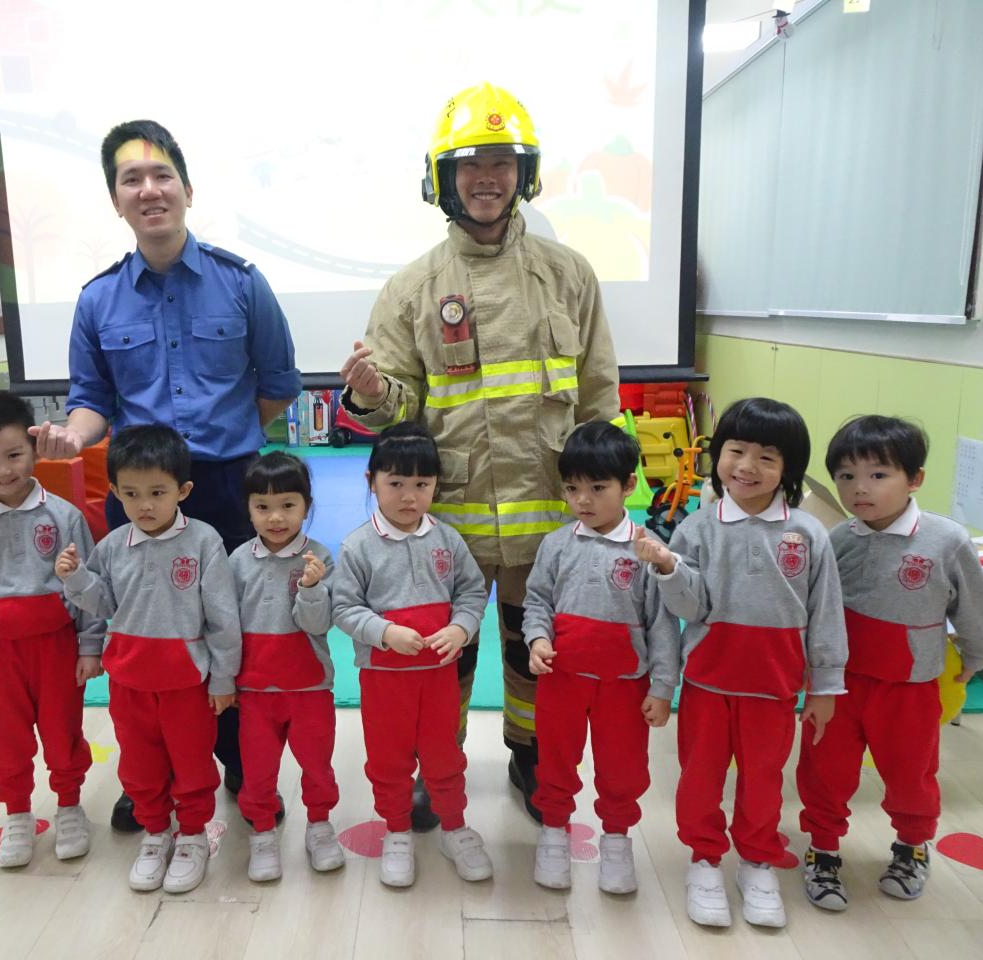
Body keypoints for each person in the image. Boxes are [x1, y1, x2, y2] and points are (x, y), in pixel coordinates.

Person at [338, 83, 620, 825]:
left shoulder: (569, 275)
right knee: (446, 654)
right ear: (443, 178)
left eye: (502, 162)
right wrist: (372, 393)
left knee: (537, 654)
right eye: (469, 164)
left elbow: (597, 394)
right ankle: (441, 763)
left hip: (551, 515)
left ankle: (531, 758)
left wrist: (609, 500)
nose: (486, 177)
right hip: (449, 522)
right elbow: (399, 409)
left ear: (525, 174)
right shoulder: (412, 288)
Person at [32, 119, 302, 829]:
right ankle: (150, 774)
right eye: (132, 179)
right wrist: (73, 436)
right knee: (144, 632)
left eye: (162, 176)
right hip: (140, 499)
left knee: (236, 627)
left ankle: (241, 763)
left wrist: (228, 435)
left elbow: (276, 385)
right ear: (115, 200)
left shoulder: (242, 282)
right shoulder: (98, 300)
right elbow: (92, 400)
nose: (149, 190)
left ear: (187, 188)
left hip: (230, 489)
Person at [634, 397, 847, 930]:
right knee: (699, 778)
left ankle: (757, 861)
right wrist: (668, 568)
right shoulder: (697, 528)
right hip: (707, 682)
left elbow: (826, 614)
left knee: (764, 781)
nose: (747, 466)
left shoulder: (808, 534)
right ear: (718, 455)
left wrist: (825, 686)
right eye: (736, 451)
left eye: (767, 457)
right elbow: (689, 609)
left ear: (788, 469)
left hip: (775, 688)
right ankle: (704, 860)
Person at [796, 416, 983, 909]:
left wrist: (976, 655)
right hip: (838, 686)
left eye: (878, 475)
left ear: (915, 478)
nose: (860, 488)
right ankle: (823, 849)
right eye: (846, 476)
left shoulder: (945, 540)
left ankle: (912, 846)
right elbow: (813, 609)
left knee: (911, 774)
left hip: (909, 688)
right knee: (824, 770)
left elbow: (973, 606)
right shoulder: (837, 539)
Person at [56, 425, 240, 894]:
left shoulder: (204, 541)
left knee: (193, 763)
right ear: (115, 492)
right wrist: (76, 579)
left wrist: (223, 678)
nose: (145, 505)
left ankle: (193, 836)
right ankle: (156, 832)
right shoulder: (113, 545)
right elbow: (102, 603)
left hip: (187, 683)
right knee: (139, 765)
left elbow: (223, 617)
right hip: (130, 681)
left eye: (158, 492)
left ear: (183, 490)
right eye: (132, 493)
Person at [0, 388, 104, 870]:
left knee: (63, 730)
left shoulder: (65, 516)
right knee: (6, 737)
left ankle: (69, 806)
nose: (2, 470)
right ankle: (16, 813)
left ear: (34, 448)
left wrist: (90, 646)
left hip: (56, 646)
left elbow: (90, 584)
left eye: (13, 455)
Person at [332, 423, 493, 888]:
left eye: (421, 484)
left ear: (436, 485)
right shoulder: (358, 546)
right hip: (385, 681)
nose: (409, 496)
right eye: (396, 483)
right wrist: (383, 632)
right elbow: (344, 608)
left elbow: (472, 592)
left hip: (439, 679)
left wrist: (461, 628)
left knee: (445, 756)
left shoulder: (448, 540)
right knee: (389, 760)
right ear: (371, 482)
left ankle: (454, 827)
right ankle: (397, 830)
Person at [523, 421, 681, 894]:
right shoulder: (556, 545)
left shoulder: (648, 551)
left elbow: (663, 625)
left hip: (625, 687)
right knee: (555, 761)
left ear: (628, 485)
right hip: (562, 681)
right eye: (572, 489)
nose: (583, 501)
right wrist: (537, 639)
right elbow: (537, 601)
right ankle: (554, 833)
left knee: (622, 768)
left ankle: (616, 840)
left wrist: (662, 687)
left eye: (597, 488)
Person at [229, 451, 345, 881]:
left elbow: (320, 625)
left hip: (310, 688)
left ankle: (319, 825)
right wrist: (223, 678)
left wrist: (312, 588)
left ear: (306, 506)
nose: (275, 517)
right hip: (255, 691)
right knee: (257, 770)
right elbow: (225, 625)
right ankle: (262, 833)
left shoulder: (320, 557)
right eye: (262, 506)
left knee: (317, 765)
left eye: (288, 505)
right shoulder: (238, 560)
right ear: (248, 509)